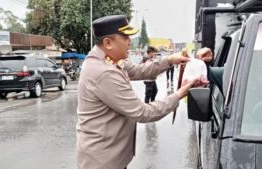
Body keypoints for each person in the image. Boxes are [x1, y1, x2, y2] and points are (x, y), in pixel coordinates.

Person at [76, 15, 208, 169]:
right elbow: (143, 112)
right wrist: (180, 94)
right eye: (125, 37)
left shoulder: (108, 59)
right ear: (108, 42)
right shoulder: (103, 72)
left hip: (108, 156)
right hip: (103, 162)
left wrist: (169, 60)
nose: (130, 41)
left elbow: (141, 70)